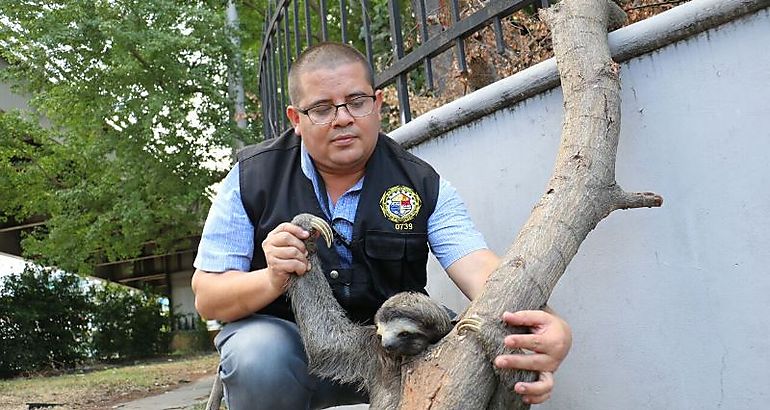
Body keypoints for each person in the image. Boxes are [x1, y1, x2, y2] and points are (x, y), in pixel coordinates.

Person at [192, 42, 572, 410]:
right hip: (293, 360)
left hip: (402, 361)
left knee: (507, 345)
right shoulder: (251, 178)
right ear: (296, 119)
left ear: (377, 104)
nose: (343, 118)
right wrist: (275, 277)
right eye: (322, 108)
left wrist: (548, 326)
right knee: (258, 354)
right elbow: (208, 297)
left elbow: (479, 269)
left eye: (356, 102)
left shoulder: (422, 183)